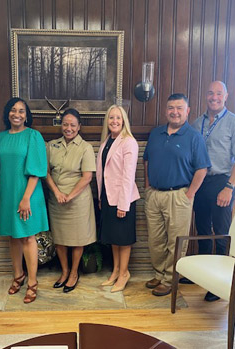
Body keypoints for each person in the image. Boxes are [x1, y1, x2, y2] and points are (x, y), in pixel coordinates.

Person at [143, 93, 210, 297]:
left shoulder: (194, 137)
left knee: (176, 241)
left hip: (179, 196)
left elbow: (202, 169)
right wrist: (147, 188)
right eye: (171, 107)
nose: (175, 112)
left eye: (179, 108)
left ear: (187, 111)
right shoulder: (156, 134)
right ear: (166, 110)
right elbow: (146, 161)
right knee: (155, 240)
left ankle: (170, 279)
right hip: (154, 195)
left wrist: (189, 194)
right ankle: (159, 273)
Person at [189, 81, 235, 302]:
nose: (214, 97)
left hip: (222, 182)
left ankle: (221, 282)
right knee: (203, 230)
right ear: (206, 96)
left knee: (222, 233)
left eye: (218, 94)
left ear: (226, 96)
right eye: (210, 93)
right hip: (200, 182)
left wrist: (229, 187)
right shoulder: (197, 124)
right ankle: (203, 275)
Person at [0, 97, 48, 304]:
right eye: (13, 110)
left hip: (27, 195)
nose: (17, 114)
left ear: (27, 115)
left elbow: (36, 171)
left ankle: (32, 282)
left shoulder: (33, 136)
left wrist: (26, 199)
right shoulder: (0, 138)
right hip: (7, 194)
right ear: (8, 113)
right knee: (12, 237)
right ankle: (18, 275)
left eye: (22, 111)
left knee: (27, 238)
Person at [46, 109, 97, 293]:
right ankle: (64, 271)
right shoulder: (51, 145)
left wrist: (69, 196)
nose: (68, 128)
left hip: (78, 202)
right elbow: (46, 173)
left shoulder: (86, 147)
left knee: (77, 240)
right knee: (59, 240)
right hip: (56, 200)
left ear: (79, 127)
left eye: (72, 125)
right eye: (65, 124)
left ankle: (74, 273)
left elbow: (87, 177)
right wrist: (58, 193)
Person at [96, 105, 140, 293]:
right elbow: (103, 173)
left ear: (124, 121)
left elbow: (128, 176)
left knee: (123, 239)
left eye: (118, 118)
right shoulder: (107, 141)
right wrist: (100, 197)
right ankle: (115, 271)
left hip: (123, 200)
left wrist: (123, 205)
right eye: (111, 117)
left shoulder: (129, 142)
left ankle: (124, 274)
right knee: (114, 238)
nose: (114, 121)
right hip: (107, 197)